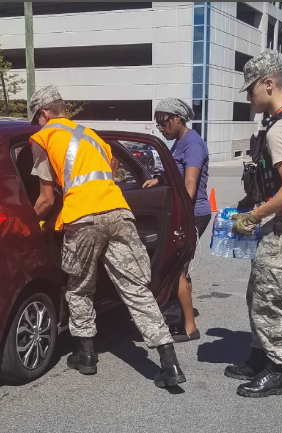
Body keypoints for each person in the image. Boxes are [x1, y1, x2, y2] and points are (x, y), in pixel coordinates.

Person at [28, 85, 186, 388]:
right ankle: (170, 364)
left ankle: (85, 356)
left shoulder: (44, 138)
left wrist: (26, 225)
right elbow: (110, 173)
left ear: (44, 114)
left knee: (79, 287)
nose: (36, 124)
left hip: (83, 218)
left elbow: (46, 200)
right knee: (135, 288)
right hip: (118, 212)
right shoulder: (92, 136)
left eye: (36, 118)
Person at [223, 51, 282, 398]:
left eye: (251, 89)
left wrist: (254, 216)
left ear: (268, 84)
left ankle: (276, 373)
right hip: (278, 225)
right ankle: (259, 358)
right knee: (259, 295)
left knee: (272, 299)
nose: (248, 97)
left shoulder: (280, 130)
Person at [142, 98, 212, 343]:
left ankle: (190, 327)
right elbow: (175, 174)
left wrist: (180, 216)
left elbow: (189, 185)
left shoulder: (192, 144)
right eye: (159, 124)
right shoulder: (179, 143)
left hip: (192, 212)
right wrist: (159, 181)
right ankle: (184, 320)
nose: (161, 128)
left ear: (177, 118)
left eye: (163, 122)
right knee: (179, 267)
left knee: (174, 268)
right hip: (186, 211)